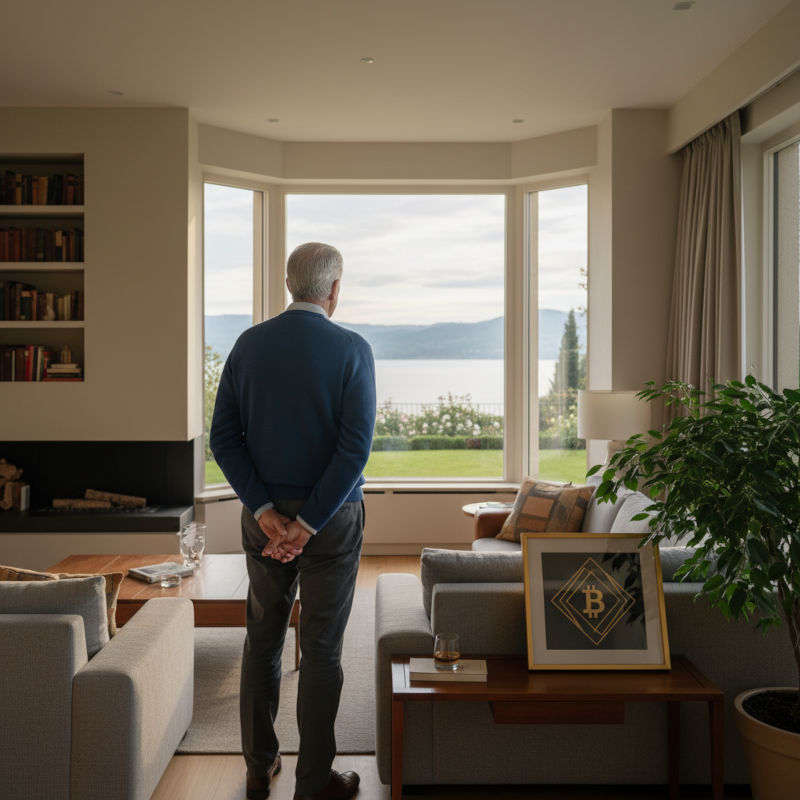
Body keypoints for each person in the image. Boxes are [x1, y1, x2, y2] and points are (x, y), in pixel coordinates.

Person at [209, 242, 376, 800]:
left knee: (263, 639)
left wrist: (265, 512)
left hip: (264, 523)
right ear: (333, 290)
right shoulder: (353, 349)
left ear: (289, 284)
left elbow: (222, 441)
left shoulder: (248, 345)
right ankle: (313, 782)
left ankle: (259, 766)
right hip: (332, 522)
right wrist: (307, 524)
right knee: (324, 648)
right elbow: (354, 452)